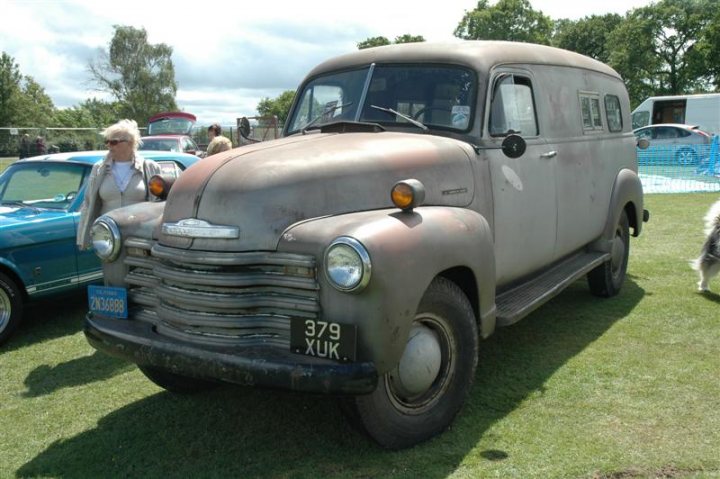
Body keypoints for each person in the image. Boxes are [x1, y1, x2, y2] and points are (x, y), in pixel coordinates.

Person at [76, 119, 162, 250]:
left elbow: (161, 203)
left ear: (130, 143)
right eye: (107, 142)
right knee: (113, 271)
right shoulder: (99, 169)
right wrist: (84, 236)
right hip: (108, 238)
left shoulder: (149, 167)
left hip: (141, 238)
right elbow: (88, 203)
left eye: (114, 142)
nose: (109, 146)